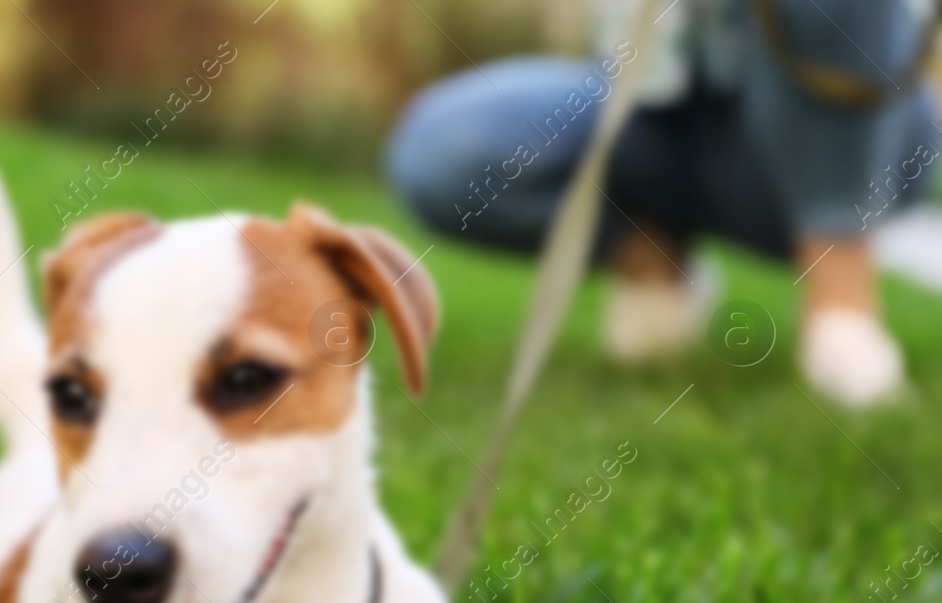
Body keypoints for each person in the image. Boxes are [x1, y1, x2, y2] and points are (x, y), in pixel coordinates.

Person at [384, 0, 938, 407]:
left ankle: (843, 306)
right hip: (653, 99)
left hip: (860, 128)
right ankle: (659, 265)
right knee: (441, 151)